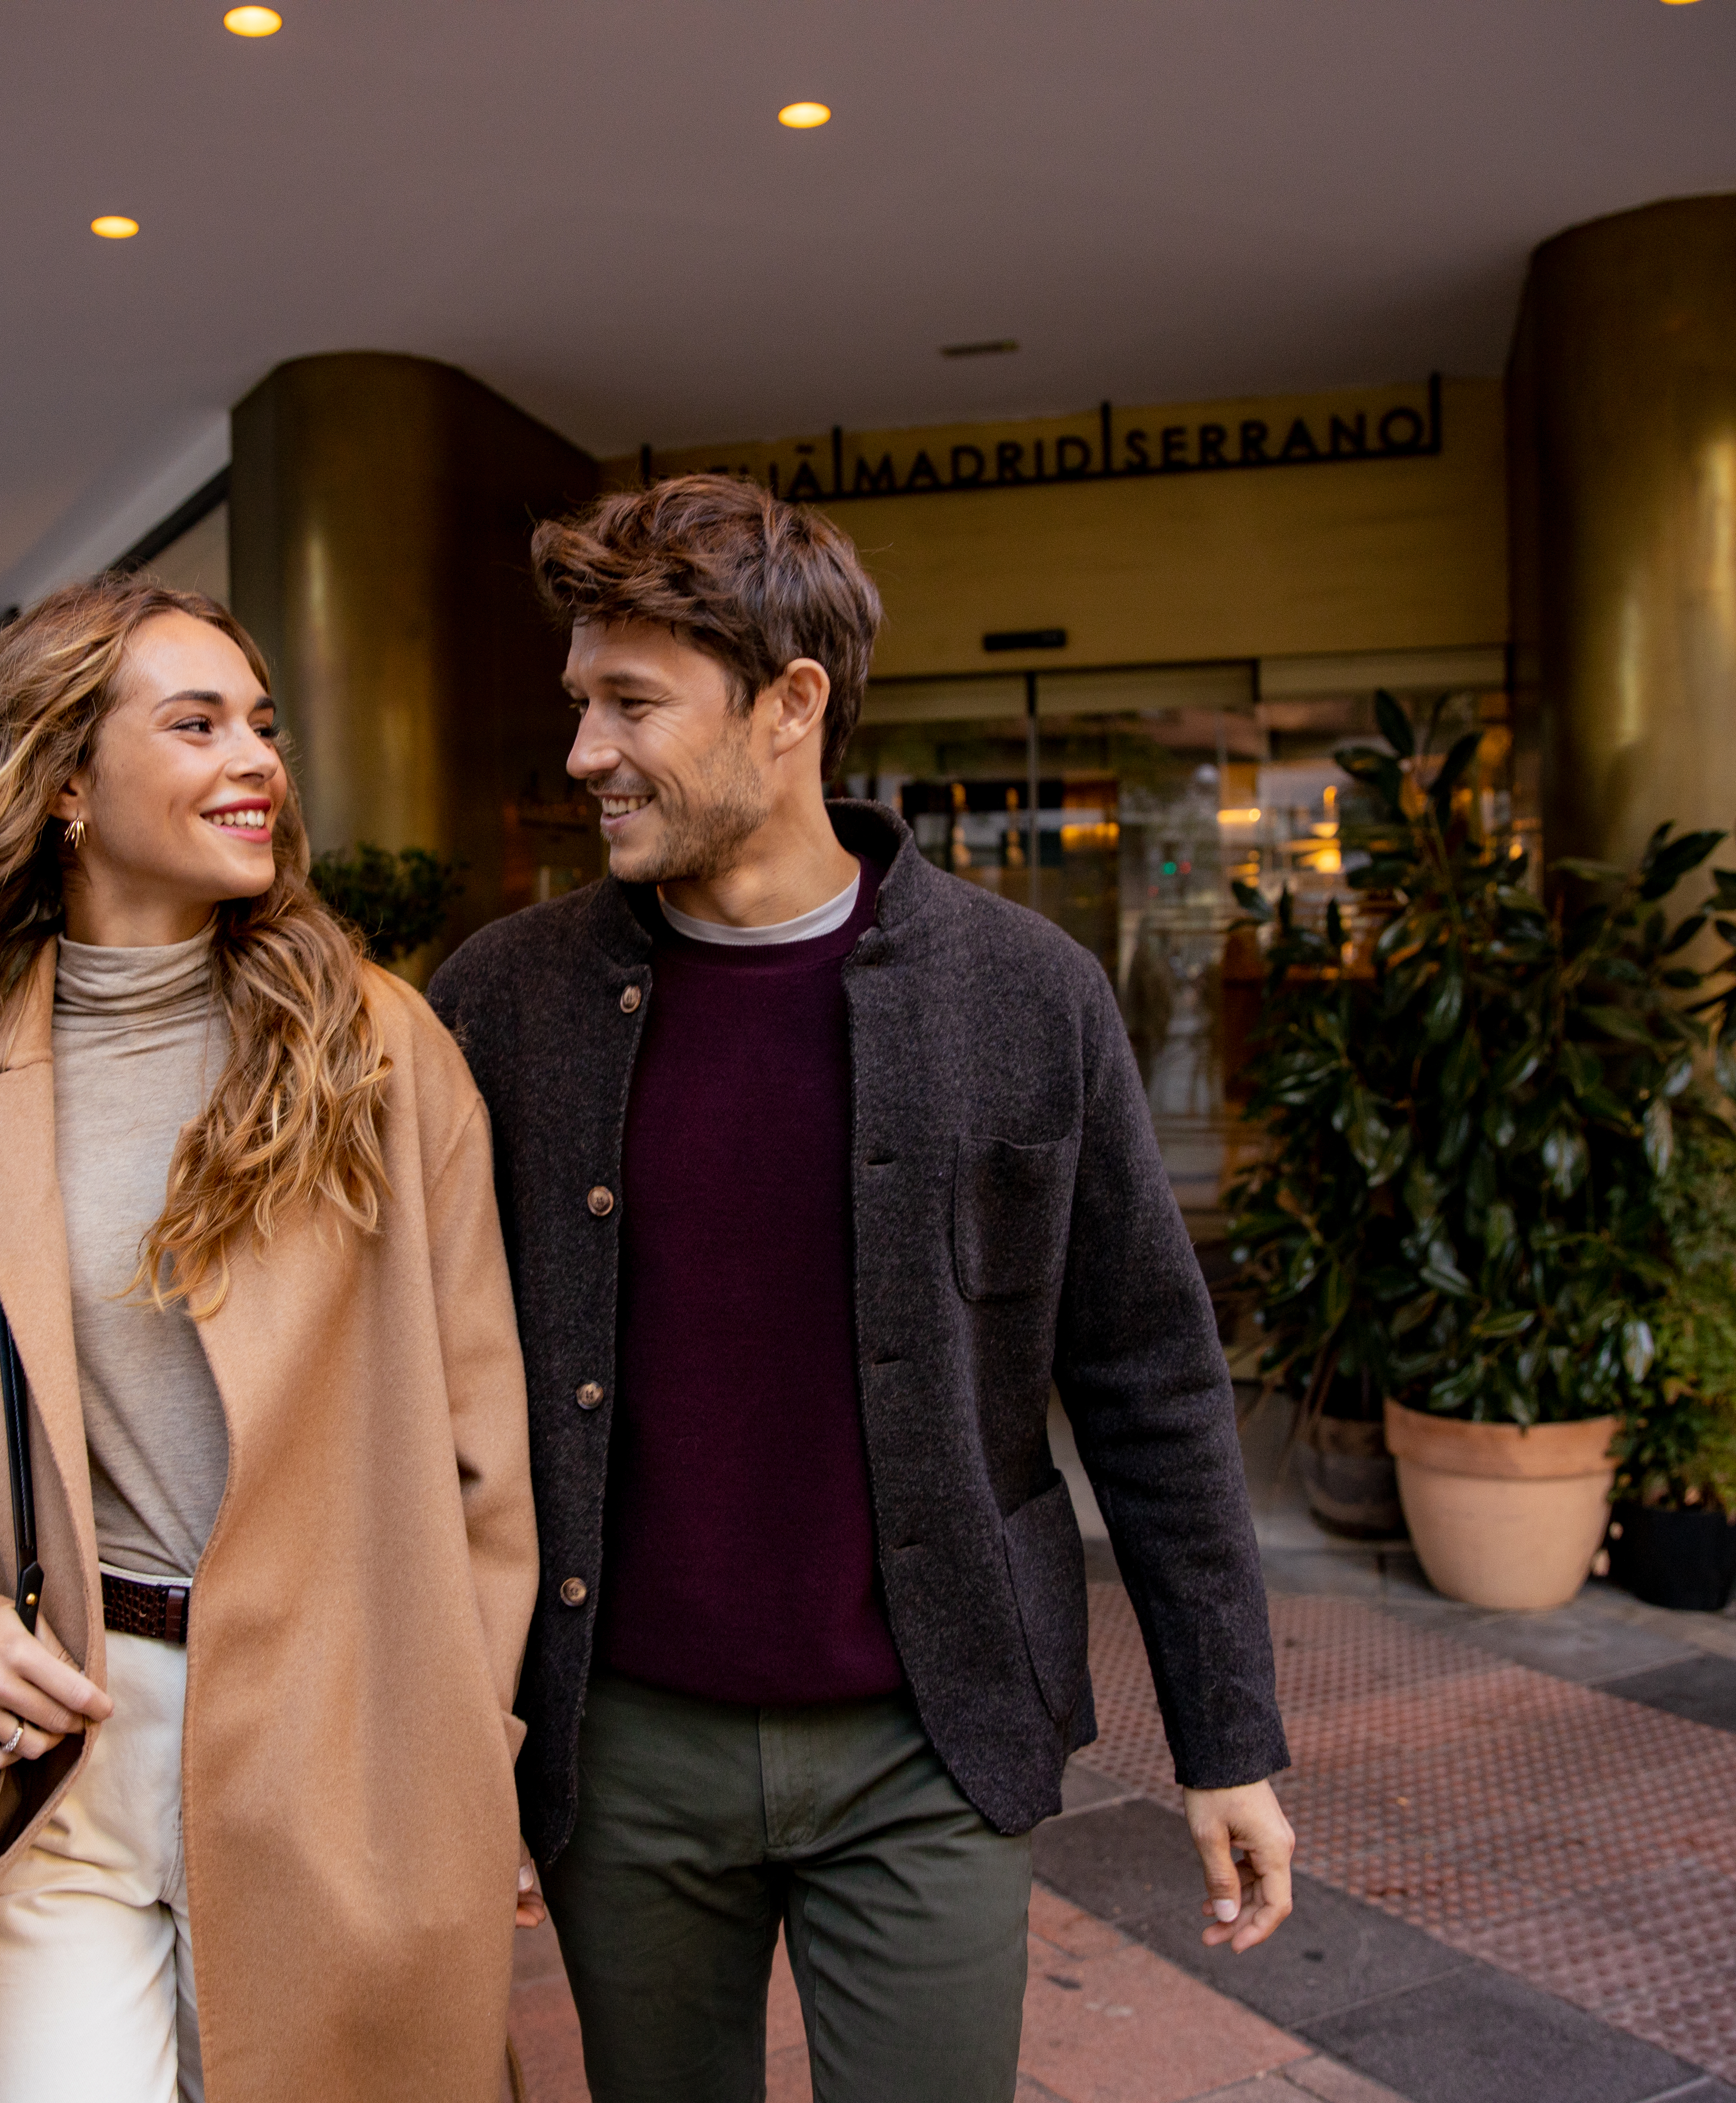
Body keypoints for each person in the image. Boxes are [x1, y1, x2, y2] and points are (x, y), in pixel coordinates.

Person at [426, 476, 1295, 2103]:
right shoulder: (504, 1002)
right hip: (621, 1750)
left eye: (632, 704)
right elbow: (415, 1394)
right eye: (579, 703)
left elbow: (1150, 1378)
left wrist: (1225, 1735)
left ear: (791, 706)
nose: (584, 754)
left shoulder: (1028, 994)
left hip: (932, 1740)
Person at [0, 577, 538, 2103]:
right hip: (41, 1750)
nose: (258, 760)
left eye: (264, 725)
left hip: (340, 1743)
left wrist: (467, 1756)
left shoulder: (374, 1047)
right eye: (198, 723)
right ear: (63, 787)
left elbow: (482, 1447)